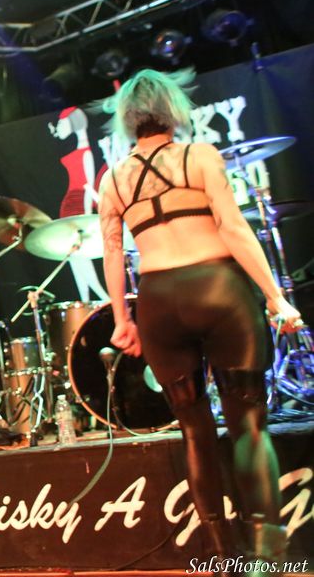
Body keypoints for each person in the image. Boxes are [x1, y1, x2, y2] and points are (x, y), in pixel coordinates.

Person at [97, 68, 303, 574]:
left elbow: (113, 254)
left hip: (159, 303)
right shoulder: (201, 156)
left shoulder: (113, 179)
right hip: (218, 290)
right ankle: (267, 559)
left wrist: (122, 319)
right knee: (249, 426)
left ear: (128, 120)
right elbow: (233, 228)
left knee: (194, 430)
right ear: (173, 110)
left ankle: (222, 555)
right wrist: (276, 297)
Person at [48, 106, 109, 302]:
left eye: (62, 123)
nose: (59, 127)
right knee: (75, 258)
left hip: (78, 208)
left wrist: (87, 213)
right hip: (69, 207)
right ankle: (85, 303)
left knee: (79, 256)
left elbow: (88, 185)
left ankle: (105, 300)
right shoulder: (79, 150)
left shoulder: (86, 153)